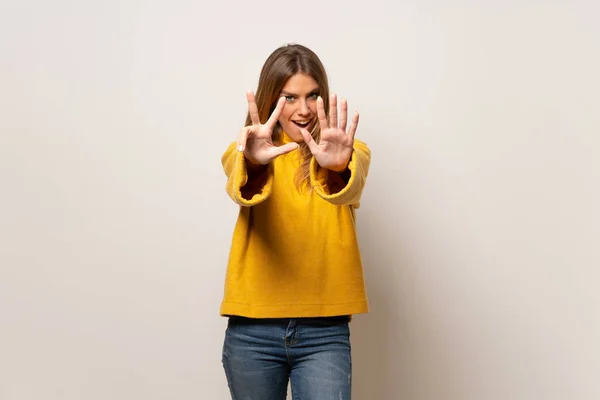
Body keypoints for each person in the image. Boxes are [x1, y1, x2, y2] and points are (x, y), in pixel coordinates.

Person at [220, 43, 371, 400]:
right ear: (271, 99)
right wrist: (254, 161)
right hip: (252, 330)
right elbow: (240, 185)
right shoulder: (244, 150)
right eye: (289, 98)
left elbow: (349, 186)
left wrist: (336, 165)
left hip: (325, 331)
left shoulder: (349, 150)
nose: (303, 110)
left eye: (312, 95)